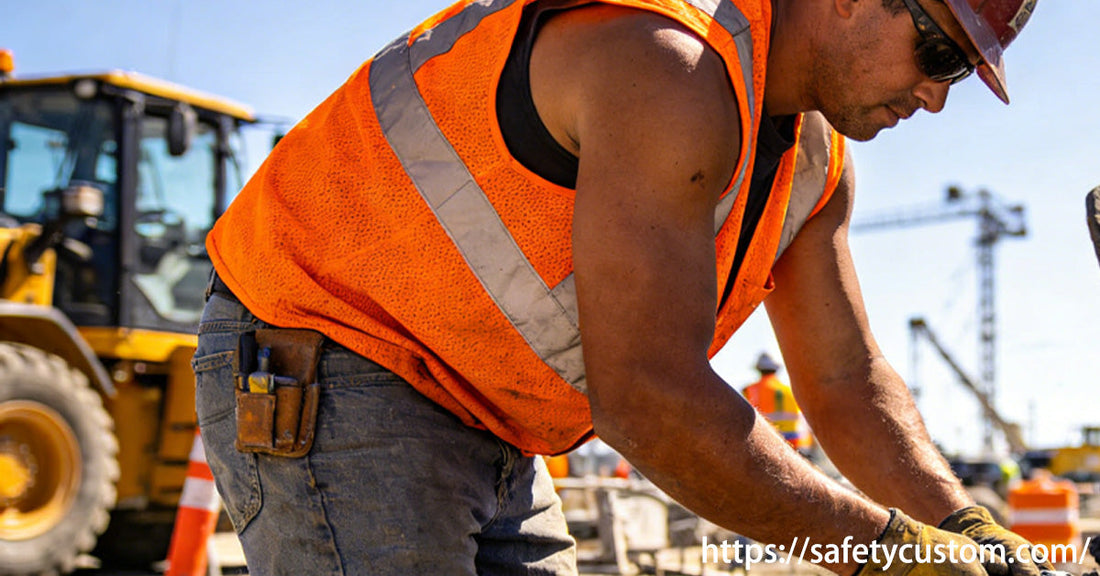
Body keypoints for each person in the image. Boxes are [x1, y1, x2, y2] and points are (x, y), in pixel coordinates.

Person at [193, 0, 1050, 574]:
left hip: (481, 415)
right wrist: (892, 552)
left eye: (965, 71)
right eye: (939, 50)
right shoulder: (665, 65)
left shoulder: (813, 162)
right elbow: (649, 401)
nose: (938, 96)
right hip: (333, 361)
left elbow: (843, 381)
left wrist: (969, 533)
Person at [742, 352, 812, 454]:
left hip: (767, 439)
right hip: (796, 440)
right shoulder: (790, 391)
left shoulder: (749, 390)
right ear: (776, 369)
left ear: (758, 369)